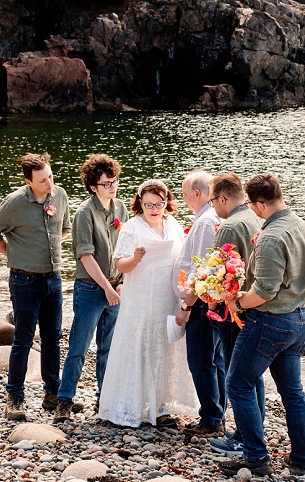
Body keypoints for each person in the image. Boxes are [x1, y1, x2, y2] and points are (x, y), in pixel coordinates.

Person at [219, 174, 305, 477]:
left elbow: (264, 291)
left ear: (261, 203)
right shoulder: (298, 222)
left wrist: (236, 301)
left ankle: (256, 457)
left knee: (238, 384)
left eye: (252, 204)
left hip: (271, 321)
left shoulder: (272, 236)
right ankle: (301, 458)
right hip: (298, 319)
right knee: (293, 393)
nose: (251, 209)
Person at [98, 179, 198, 427]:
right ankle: (130, 406)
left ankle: (161, 406)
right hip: (141, 296)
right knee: (139, 345)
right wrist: (136, 258)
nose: (154, 209)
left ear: (167, 203)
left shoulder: (172, 224)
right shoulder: (132, 227)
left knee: (165, 346)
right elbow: (120, 265)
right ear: (140, 204)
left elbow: (184, 257)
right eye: (148, 204)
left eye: (159, 204)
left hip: (167, 295)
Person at [0, 153, 70, 421]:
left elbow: (64, 229)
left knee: (53, 338)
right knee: (23, 339)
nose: (49, 183)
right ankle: (15, 398)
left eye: (51, 176)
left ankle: (52, 394)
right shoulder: (15, 202)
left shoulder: (60, 196)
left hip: (54, 279)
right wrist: (14, 255)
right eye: (43, 180)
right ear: (28, 181)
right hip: (24, 281)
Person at [54, 154, 130, 422]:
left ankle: (104, 400)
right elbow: (85, 256)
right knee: (79, 346)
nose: (113, 186)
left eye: (114, 181)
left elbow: (124, 249)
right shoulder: (84, 213)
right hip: (90, 289)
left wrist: (120, 283)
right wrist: (107, 289)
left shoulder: (120, 208)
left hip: (115, 287)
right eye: (107, 183)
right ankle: (64, 401)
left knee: (108, 347)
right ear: (92, 187)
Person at [202, 172, 266, 457]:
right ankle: (255, 429)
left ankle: (242, 436)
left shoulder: (228, 226)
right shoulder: (257, 219)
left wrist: (212, 308)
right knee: (252, 374)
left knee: (234, 375)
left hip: (233, 310)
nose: (213, 207)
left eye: (214, 201)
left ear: (223, 198)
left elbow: (217, 276)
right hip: (256, 306)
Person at [172, 170, 225, 437]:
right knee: (215, 359)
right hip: (211, 300)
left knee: (201, 360)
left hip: (203, 302)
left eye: (184, 194)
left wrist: (186, 306)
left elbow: (201, 270)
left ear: (197, 193)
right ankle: (217, 414)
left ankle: (212, 418)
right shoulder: (211, 217)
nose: (183, 199)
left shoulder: (205, 222)